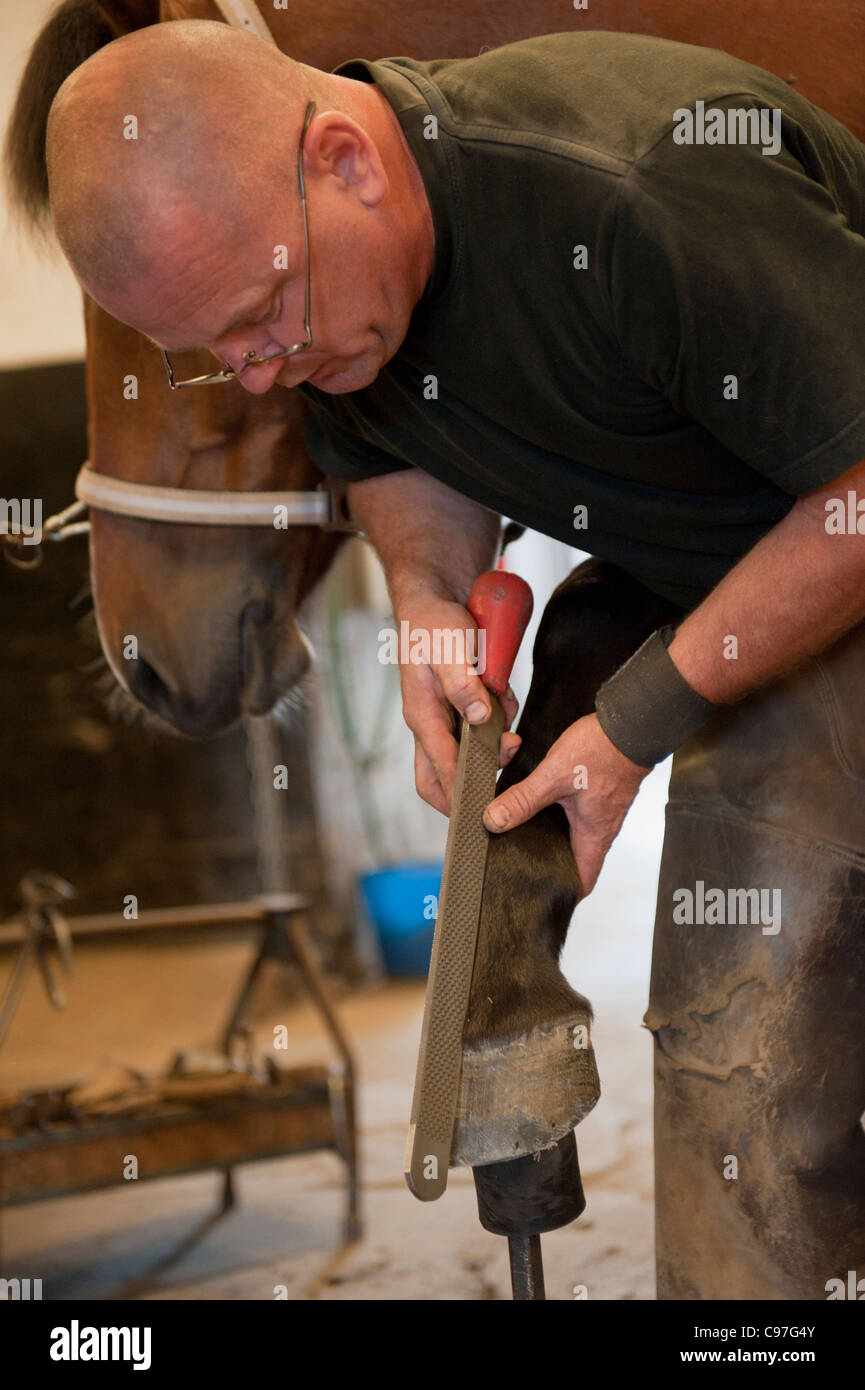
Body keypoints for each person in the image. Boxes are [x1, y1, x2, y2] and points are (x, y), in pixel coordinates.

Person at [45, 20, 865, 1298]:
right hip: (710, 560)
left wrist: (641, 713)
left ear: (345, 161)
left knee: (762, 1048)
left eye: (266, 320)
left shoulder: (641, 187)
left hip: (831, 548)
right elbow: (383, 447)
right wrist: (426, 601)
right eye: (227, 354)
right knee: (686, 1020)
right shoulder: (313, 274)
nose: (266, 370)